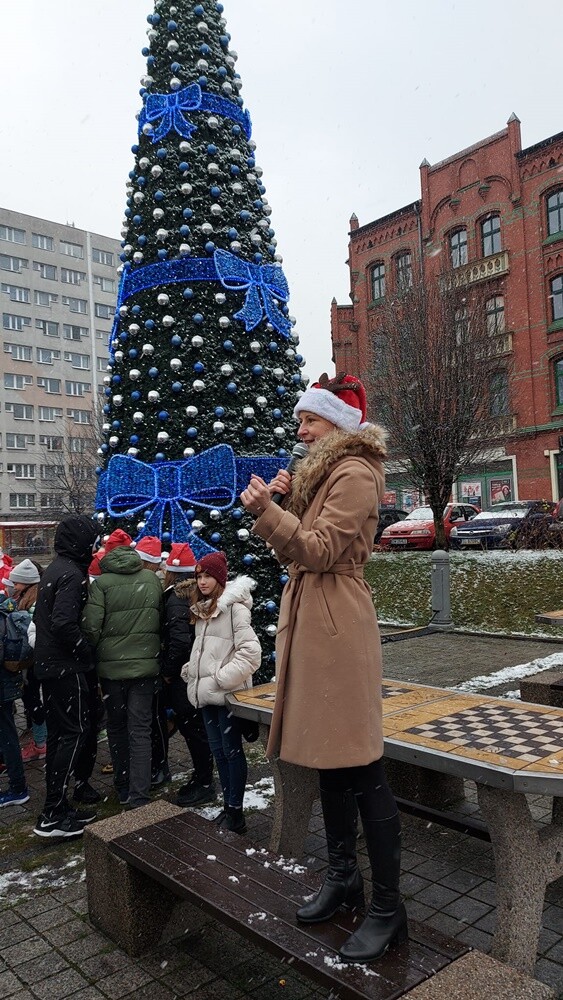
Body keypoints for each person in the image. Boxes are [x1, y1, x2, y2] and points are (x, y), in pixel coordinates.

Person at [240, 372, 407, 963]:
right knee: (330, 765)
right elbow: (297, 546)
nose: (301, 430)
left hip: (336, 624)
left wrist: (272, 513)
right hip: (315, 622)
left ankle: (389, 906)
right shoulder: (323, 475)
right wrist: (282, 508)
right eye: (301, 421)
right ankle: (344, 878)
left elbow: (319, 551)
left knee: (360, 767)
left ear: (336, 422)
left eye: (309, 420)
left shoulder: (356, 474)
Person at [81, 528, 163, 809]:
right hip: (145, 668)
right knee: (141, 730)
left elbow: (91, 628)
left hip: (111, 672)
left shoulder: (101, 585)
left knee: (117, 728)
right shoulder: (151, 580)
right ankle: (140, 795)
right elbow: (159, 620)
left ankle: (123, 785)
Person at [181, 551, 261, 833]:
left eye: (208, 576)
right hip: (207, 694)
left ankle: (236, 812)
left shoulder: (234, 609)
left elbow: (251, 654)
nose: (202, 582)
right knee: (218, 750)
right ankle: (228, 807)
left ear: (220, 578)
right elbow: (209, 650)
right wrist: (192, 669)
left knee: (231, 751)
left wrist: (219, 678)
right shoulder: (202, 610)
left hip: (227, 695)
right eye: (199, 576)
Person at [33, 514, 100, 838]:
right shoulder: (71, 574)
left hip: (50, 666)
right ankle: (52, 814)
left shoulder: (56, 568)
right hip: (65, 667)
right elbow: (63, 622)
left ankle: (57, 807)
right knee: (72, 734)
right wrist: (85, 652)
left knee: (60, 736)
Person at [161, 543, 215, 807]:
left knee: (193, 729)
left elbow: (180, 642)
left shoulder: (175, 599)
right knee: (197, 729)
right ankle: (202, 777)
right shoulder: (195, 594)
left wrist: (169, 672)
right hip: (195, 671)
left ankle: (205, 782)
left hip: (185, 676)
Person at [6, 560, 47, 762]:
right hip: (34, 661)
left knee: (32, 700)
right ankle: (42, 740)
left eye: (18, 583)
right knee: (32, 700)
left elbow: (27, 636)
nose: (15, 586)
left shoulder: (31, 605)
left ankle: (41, 743)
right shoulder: (30, 599)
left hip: (30, 662)